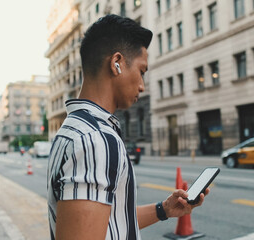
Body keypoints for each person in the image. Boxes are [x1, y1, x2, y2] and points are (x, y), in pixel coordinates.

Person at [47, 14, 210, 240]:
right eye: (142, 72)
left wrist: (164, 209)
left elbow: (109, 220)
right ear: (117, 63)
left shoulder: (73, 130)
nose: (142, 86)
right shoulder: (96, 140)